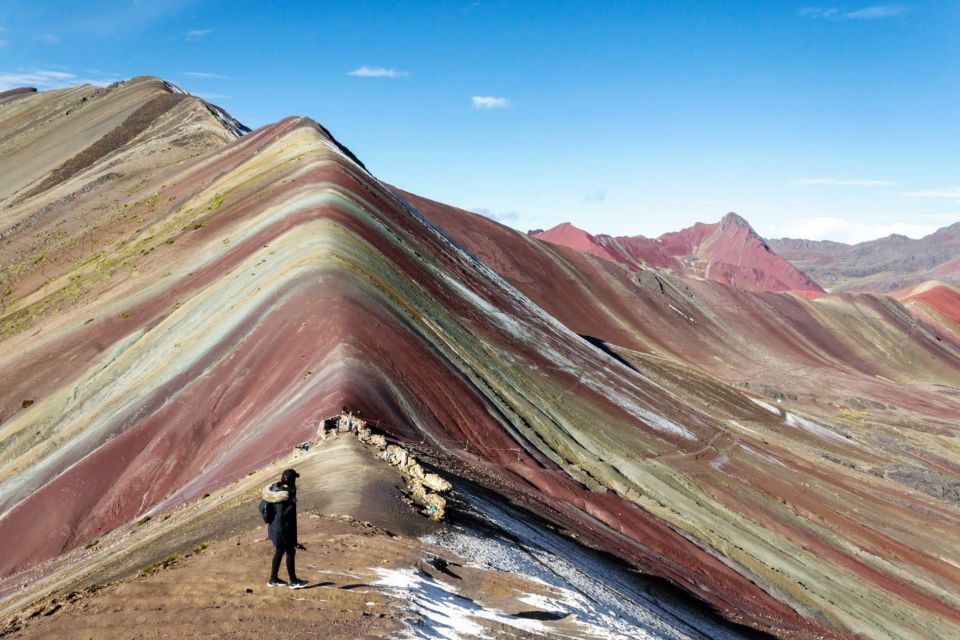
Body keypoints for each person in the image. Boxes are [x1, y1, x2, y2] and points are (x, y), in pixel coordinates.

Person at [262, 468, 308, 589]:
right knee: (290, 551)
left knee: (279, 551)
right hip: (283, 530)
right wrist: (294, 541)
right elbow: (290, 520)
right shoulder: (287, 497)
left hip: (274, 528)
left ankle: (273, 579)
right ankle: (293, 581)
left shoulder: (275, 490)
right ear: (292, 480)